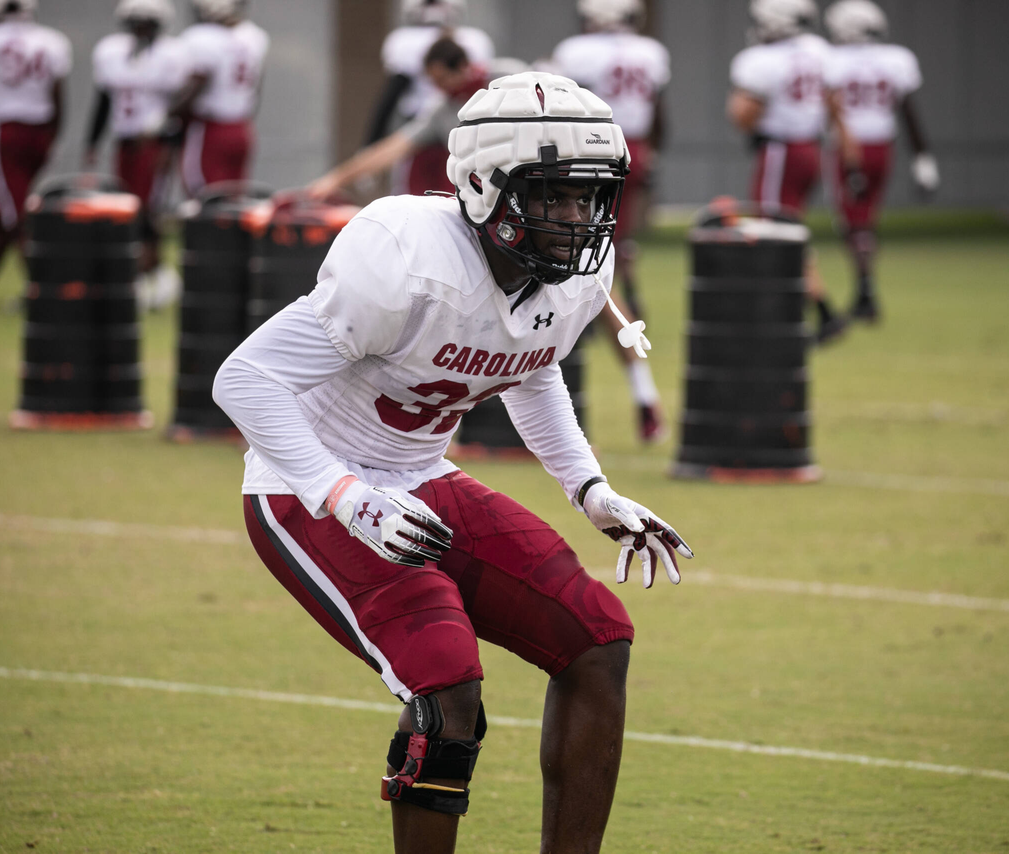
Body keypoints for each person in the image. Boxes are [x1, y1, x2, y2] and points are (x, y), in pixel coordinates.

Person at [214, 71, 692, 854]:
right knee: (445, 679)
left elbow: (533, 365)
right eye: (552, 196)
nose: (577, 218)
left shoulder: (577, 275)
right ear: (483, 185)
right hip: (307, 485)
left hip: (421, 475)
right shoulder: (404, 258)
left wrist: (591, 489)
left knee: (597, 637)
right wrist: (344, 496)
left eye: (589, 197)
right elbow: (244, 379)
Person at [552, 0, 670, 441]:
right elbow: (660, 111)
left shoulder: (579, 51)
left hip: (593, 156)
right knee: (608, 257)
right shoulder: (649, 51)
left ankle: (645, 396)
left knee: (590, 272)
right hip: (633, 152)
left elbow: (569, 110)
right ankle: (644, 395)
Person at [727, 0, 855, 344]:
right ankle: (800, 309)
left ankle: (813, 311)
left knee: (774, 230)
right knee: (789, 227)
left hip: (781, 150)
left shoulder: (762, 60)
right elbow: (833, 104)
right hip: (811, 149)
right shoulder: (818, 49)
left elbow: (742, 114)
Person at [823, 0, 937, 323]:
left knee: (853, 221)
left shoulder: (832, 60)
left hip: (848, 148)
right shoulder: (896, 59)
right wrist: (923, 157)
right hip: (884, 147)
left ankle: (865, 292)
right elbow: (908, 111)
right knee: (866, 219)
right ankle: (865, 290)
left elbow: (828, 108)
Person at [0, 0, 70, 306]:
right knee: (7, 210)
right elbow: (58, 95)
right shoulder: (51, 41)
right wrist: (53, 137)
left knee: (14, 215)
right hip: (41, 131)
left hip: (5, 133)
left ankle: (43, 290)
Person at [85, 0, 187, 311]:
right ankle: (148, 274)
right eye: (136, 22)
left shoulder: (172, 55)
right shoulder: (112, 52)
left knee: (147, 210)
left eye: (147, 22)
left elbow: (183, 104)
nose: (140, 28)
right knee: (128, 209)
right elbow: (103, 99)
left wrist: (171, 144)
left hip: (154, 143)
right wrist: (93, 141)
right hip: (125, 141)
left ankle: (151, 274)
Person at [307, 37, 486, 202]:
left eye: (442, 79)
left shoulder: (503, 76)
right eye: (433, 82)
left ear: (462, 66)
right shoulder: (441, 112)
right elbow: (393, 148)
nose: (438, 87)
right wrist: (337, 178)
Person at [366, 0, 493, 195]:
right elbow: (391, 96)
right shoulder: (407, 42)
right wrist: (371, 145)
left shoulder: (476, 44)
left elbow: (389, 98)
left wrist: (370, 142)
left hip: (468, 133)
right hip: (423, 135)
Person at [172, 0, 268, 197]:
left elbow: (198, 82)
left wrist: (169, 113)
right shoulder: (254, 35)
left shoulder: (202, 38)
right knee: (234, 197)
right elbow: (257, 88)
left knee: (203, 196)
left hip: (210, 128)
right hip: (242, 127)